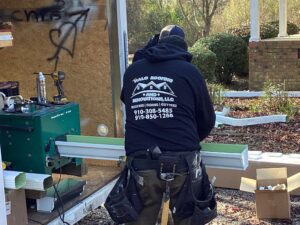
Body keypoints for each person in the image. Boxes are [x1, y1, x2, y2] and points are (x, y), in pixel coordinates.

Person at [120, 25, 216, 225]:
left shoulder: (133, 71)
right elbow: (207, 119)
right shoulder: (190, 72)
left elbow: (127, 101)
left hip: (141, 162)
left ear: (157, 42)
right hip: (183, 162)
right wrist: (185, 138)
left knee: (144, 216)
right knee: (187, 216)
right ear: (183, 46)